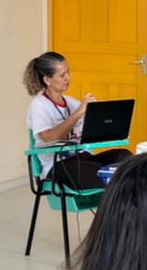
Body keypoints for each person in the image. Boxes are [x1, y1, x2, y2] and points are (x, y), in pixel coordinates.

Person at [24, 51, 131, 189]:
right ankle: (117, 207)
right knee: (104, 174)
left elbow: (91, 132)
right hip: (57, 165)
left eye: (68, 72)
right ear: (47, 80)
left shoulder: (71, 102)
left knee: (125, 158)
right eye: (62, 75)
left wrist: (115, 132)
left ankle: (129, 205)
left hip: (82, 158)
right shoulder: (39, 105)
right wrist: (79, 111)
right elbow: (49, 138)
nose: (68, 78)